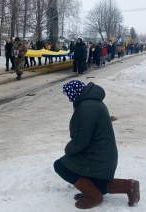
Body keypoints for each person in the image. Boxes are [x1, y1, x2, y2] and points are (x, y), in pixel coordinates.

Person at [54, 80, 140, 209]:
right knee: (95, 184)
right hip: (102, 154)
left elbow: (81, 140)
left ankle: (93, 196)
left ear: (75, 92)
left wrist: (68, 149)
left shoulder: (86, 108)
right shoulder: (92, 102)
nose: (69, 99)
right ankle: (129, 186)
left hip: (97, 155)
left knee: (60, 166)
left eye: (69, 95)